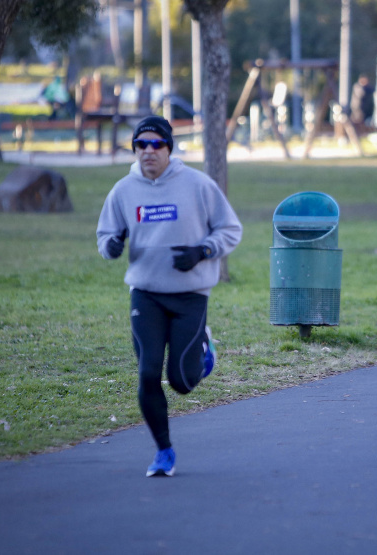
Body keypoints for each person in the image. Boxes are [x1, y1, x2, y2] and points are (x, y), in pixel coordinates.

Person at [96, 116, 243, 476]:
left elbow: (231, 229)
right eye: (141, 144)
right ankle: (163, 452)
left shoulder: (197, 184)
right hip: (146, 294)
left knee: (182, 381)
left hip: (190, 295)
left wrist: (202, 251)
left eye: (156, 144)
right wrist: (111, 246)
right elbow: (105, 236)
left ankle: (204, 347)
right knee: (148, 373)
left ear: (168, 148)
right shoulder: (123, 190)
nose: (148, 151)